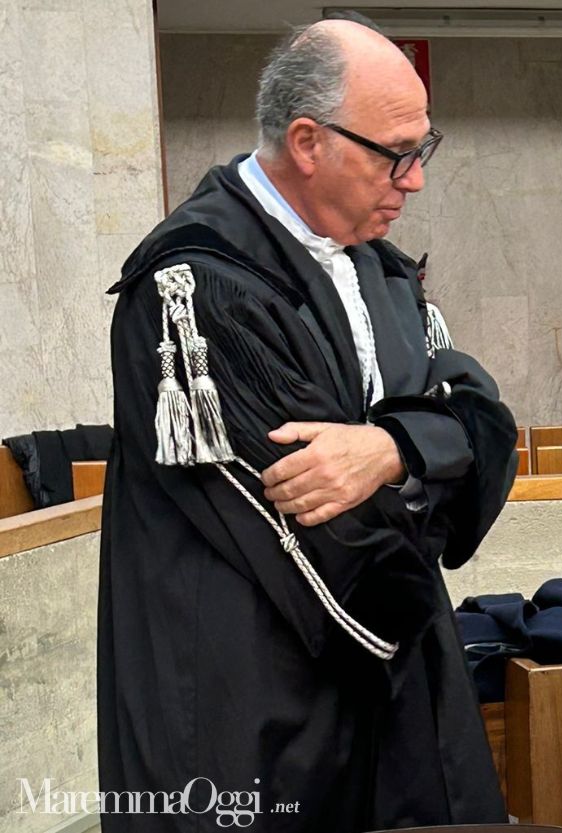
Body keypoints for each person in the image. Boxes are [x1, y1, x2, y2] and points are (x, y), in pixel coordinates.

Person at [98, 16, 516, 831]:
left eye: (423, 150)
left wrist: (392, 448)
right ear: (307, 140)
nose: (416, 180)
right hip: (250, 716)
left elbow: (488, 428)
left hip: (386, 695)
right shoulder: (195, 288)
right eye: (397, 153)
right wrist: (429, 454)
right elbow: (336, 545)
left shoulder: (379, 270)